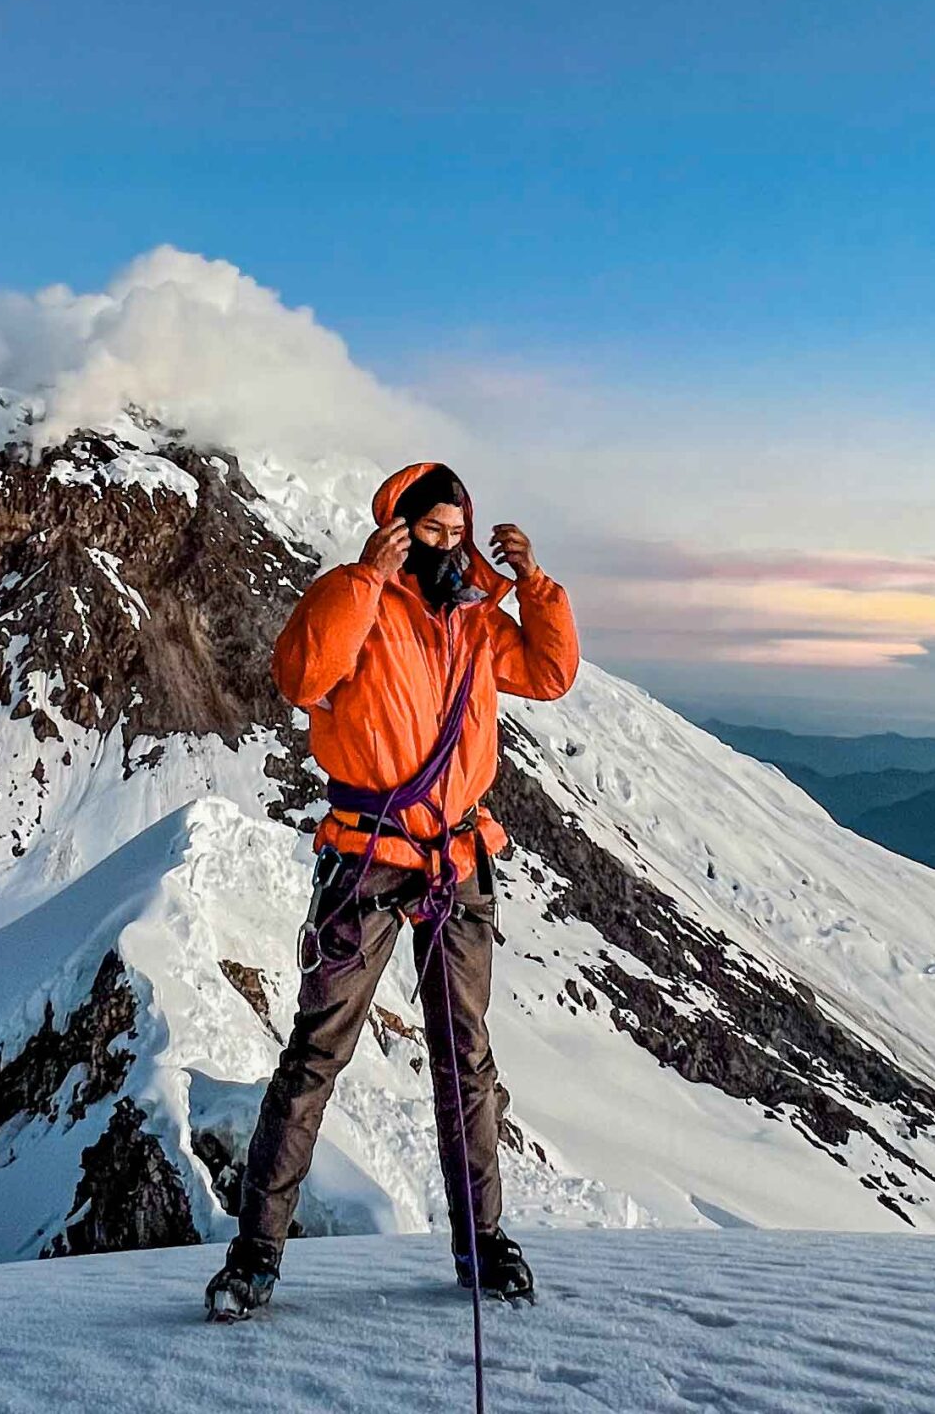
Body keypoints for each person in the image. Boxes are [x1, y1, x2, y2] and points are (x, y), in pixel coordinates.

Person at [205, 461, 580, 1321]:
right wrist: (368, 576)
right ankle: (256, 1254)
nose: (448, 549)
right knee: (318, 1051)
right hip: (370, 853)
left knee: (466, 1059)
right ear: (400, 530)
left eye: (458, 533)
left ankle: (482, 1244)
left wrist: (533, 583)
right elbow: (301, 676)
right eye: (432, 533)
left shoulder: (480, 623)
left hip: (454, 853)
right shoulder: (358, 599)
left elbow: (552, 674)